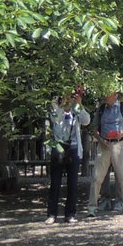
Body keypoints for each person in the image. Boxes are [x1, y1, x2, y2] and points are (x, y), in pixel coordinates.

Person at [87, 90, 123, 217]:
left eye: (108, 93)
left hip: (120, 144)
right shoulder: (101, 109)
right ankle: (92, 207)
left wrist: (122, 134)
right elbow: (94, 129)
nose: (105, 95)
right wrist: (100, 139)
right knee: (97, 177)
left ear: (114, 95)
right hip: (104, 145)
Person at [45, 88, 90, 224]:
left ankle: (70, 214)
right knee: (55, 183)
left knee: (73, 183)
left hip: (74, 147)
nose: (69, 100)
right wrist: (61, 106)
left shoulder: (76, 111)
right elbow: (55, 119)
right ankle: (52, 214)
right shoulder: (56, 109)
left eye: (72, 97)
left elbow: (86, 121)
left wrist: (79, 105)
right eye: (67, 97)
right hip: (59, 146)